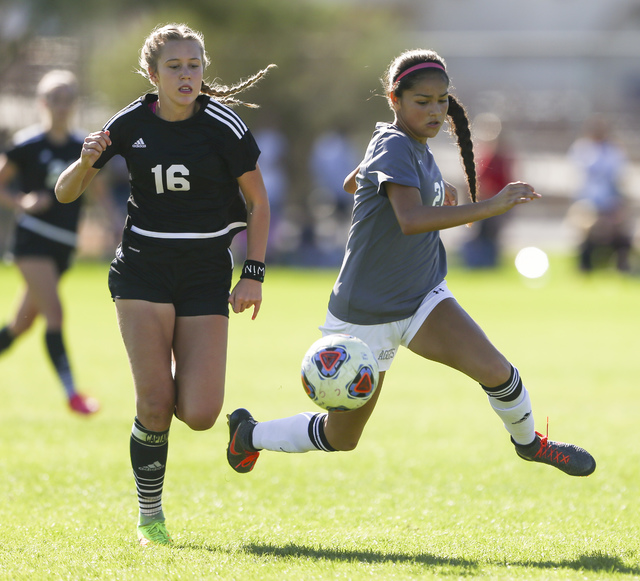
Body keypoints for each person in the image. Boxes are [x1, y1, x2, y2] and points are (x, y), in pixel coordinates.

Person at [226, 49, 595, 482]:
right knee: (343, 436)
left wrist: (436, 191)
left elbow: (355, 182)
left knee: (498, 371)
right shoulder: (395, 143)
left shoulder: (406, 144)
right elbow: (410, 220)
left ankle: (531, 444)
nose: (436, 110)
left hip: (422, 297)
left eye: (442, 100)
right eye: (423, 101)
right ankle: (250, 435)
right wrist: (490, 206)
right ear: (394, 99)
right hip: (365, 312)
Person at [55, 23, 273, 546]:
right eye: (174, 67)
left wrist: (253, 273)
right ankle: (150, 515)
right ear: (152, 75)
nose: (187, 75)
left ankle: (238, 428)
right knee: (155, 404)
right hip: (143, 270)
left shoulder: (224, 126)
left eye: (194, 65)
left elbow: (259, 205)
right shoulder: (128, 123)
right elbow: (65, 194)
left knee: (198, 414)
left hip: (204, 273)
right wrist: (86, 161)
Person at [0, 70, 100, 415]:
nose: (61, 105)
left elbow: (96, 194)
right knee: (54, 314)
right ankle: (73, 395)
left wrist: (116, 224)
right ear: (43, 103)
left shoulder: (82, 148)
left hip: (63, 246)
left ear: (75, 104)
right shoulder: (26, 145)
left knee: (22, 324)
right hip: (33, 241)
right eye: (55, 98)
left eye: (68, 98)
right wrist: (22, 202)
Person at [567, 115, 632, 273]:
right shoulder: (581, 149)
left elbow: (619, 179)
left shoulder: (614, 150)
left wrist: (617, 204)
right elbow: (576, 180)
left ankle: (622, 266)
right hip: (587, 202)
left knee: (621, 229)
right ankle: (585, 266)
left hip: (609, 203)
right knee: (586, 229)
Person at [461, 112, 514, 268]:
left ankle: (489, 265)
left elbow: (500, 182)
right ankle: (480, 264)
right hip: (485, 203)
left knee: (490, 236)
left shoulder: (500, 157)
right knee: (482, 237)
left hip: (494, 202)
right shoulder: (486, 154)